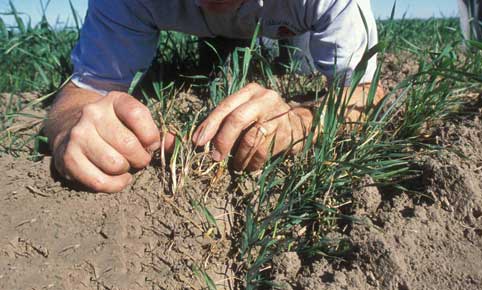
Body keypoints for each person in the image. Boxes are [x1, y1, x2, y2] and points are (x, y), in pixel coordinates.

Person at [44, 0, 384, 193]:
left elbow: (365, 94)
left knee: (298, 64)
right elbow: (83, 93)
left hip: (291, 21)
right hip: (205, 23)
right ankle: (225, 44)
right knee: (218, 62)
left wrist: (304, 121)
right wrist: (70, 127)